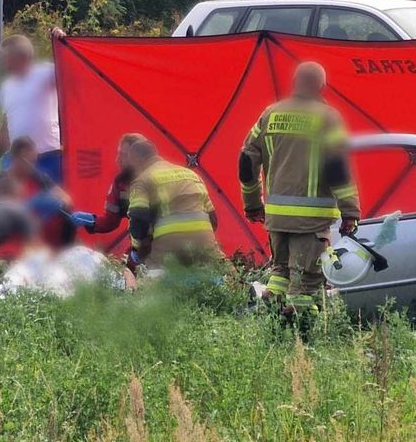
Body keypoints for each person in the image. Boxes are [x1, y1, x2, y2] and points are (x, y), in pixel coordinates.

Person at [239, 62, 360, 317]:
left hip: (276, 218)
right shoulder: (327, 118)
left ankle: (270, 313)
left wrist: (252, 204)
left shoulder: (270, 115)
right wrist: (350, 212)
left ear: (294, 83)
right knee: (306, 285)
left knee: (280, 273)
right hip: (311, 221)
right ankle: (300, 331)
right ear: (322, 86)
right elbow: (337, 168)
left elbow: (247, 161)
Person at [125, 140, 223, 269]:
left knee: (155, 275)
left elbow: (139, 219)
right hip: (204, 242)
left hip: (167, 247)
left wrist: (138, 251)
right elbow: (213, 219)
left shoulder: (142, 181)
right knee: (220, 274)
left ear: (137, 159)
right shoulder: (192, 175)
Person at [0, 34, 63, 186]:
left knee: (52, 199)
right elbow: (6, 128)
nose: (4, 63)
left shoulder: (46, 73)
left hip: (48, 157)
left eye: (6, 58)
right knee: (10, 198)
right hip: (16, 161)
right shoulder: (7, 87)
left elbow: (73, 70)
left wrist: (62, 42)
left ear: (20, 57)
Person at [70, 133, 148, 234]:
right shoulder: (120, 184)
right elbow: (110, 221)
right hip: (143, 239)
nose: (118, 160)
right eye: (118, 154)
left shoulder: (154, 179)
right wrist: (91, 221)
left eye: (124, 155)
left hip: (161, 238)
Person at [0, 136, 58, 201]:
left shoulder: (39, 178)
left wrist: (54, 202)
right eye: (30, 161)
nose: (32, 166)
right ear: (15, 158)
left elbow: (62, 198)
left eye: (34, 161)